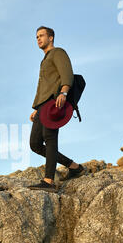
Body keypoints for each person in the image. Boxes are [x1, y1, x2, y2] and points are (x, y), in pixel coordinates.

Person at [27, 26, 85, 192]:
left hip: (54, 102)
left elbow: (67, 72)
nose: (38, 39)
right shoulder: (44, 59)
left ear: (51, 38)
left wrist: (64, 92)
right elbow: (43, 86)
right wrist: (37, 108)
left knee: (49, 137)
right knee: (35, 143)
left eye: (42, 36)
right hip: (42, 105)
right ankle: (74, 167)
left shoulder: (58, 52)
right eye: (36, 36)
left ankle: (49, 181)